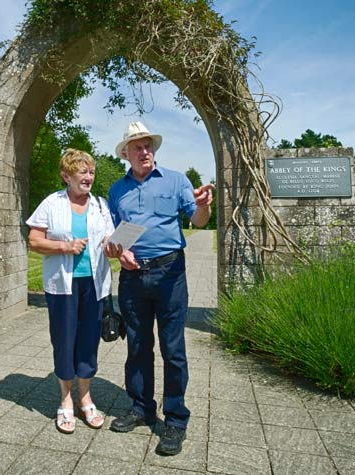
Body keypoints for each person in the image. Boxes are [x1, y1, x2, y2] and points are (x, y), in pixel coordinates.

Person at [103, 121, 214, 456]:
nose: (145, 151)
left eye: (149, 145)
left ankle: (176, 419)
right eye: (137, 146)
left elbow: (197, 221)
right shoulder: (116, 190)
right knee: (137, 346)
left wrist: (204, 204)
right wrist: (117, 252)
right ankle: (141, 408)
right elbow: (111, 234)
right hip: (133, 277)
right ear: (126, 154)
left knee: (173, 349)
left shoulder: (177, 180)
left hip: (169, 274)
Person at [26, 148, 116, 434]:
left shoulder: (100, 205)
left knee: (89, 340)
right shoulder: (52, 203)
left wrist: (114, 247)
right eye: (82, 172)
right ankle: (65, 400)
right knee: (65, 340)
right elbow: (34, 240)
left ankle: (85, 397)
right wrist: (65, 246)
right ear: (66, 176)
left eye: (91, 172)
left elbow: (109, 239)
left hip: (94, 283)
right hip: (62, 286)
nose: (88, 177)